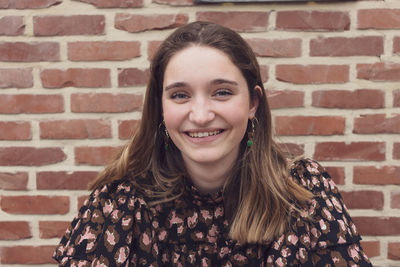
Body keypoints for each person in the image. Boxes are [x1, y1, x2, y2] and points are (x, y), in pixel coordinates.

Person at [53, 21, 372, 266]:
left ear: (253, 104)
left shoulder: (304, 195)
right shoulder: (119, 205)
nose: (201, 115)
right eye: (180, 95)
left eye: (222, 92)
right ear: (161, 109)